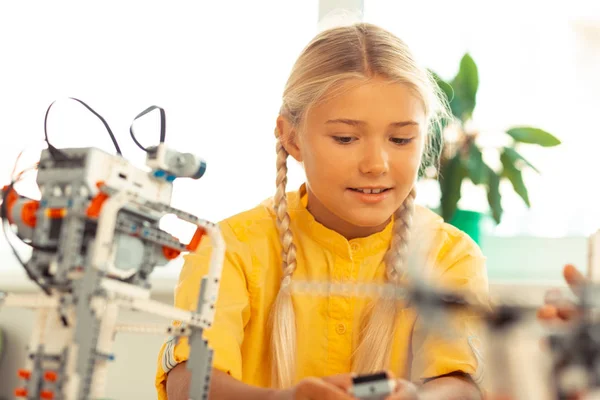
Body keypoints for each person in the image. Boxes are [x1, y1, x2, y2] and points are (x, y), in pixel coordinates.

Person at [155, 22, 488, 400]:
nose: (376, 164)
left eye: (400, 139)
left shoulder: (450, 256)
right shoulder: (227, 249)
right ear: (291, 137)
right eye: (345, 138)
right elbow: (188, 383)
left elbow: (460, 385)